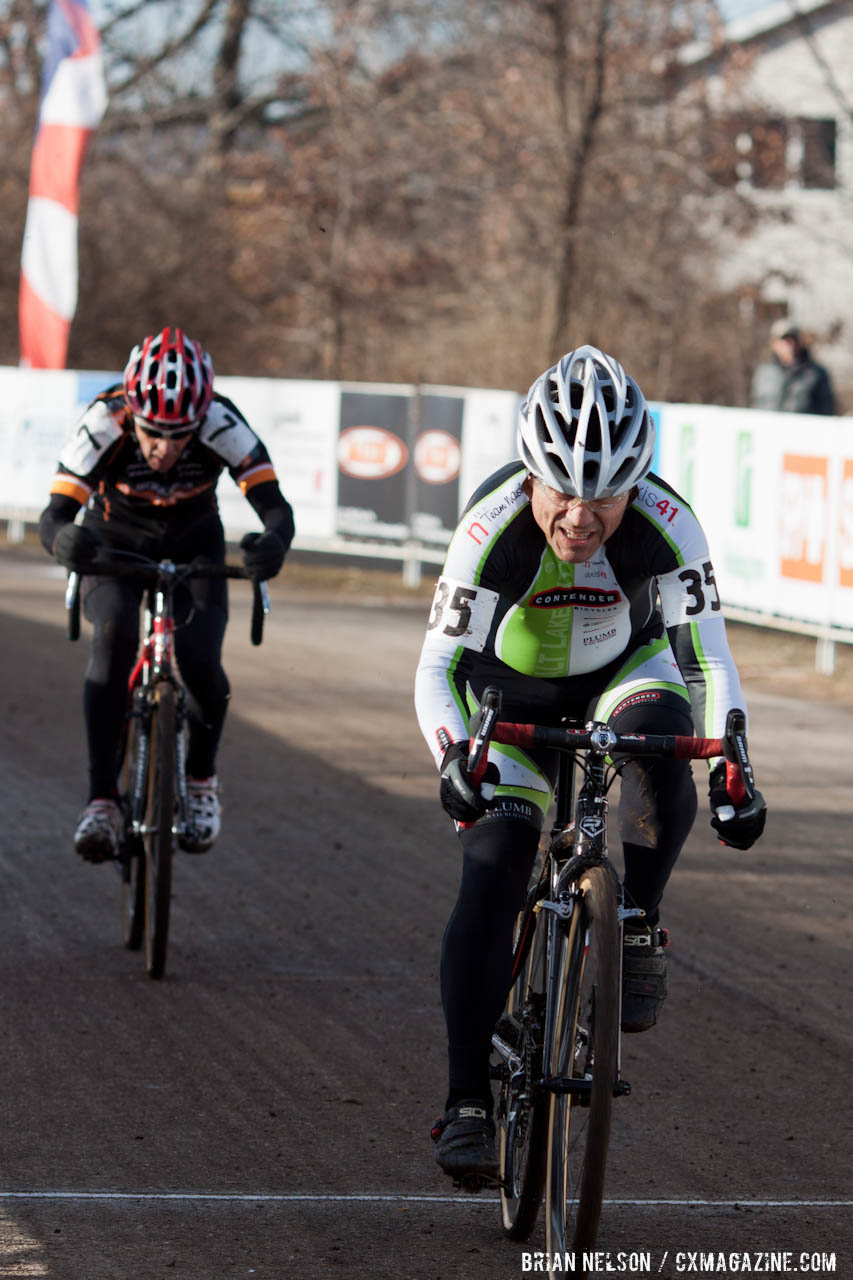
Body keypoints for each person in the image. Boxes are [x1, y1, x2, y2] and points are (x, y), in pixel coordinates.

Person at [415, 345, 767, 1183]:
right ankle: (466, 1101)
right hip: (506, 695)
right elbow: (435, 669)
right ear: (530, 473)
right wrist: (451, 758)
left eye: (603, 494)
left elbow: (708, 662)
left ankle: (635, 919)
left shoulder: (668, 523)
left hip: (622, 675)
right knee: (493, 863)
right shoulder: (490, 526)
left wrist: (735, 767)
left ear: (634, 483)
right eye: (562, 489)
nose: (580, 514)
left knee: (660, 755)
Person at [39, 327, 295, 863]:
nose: (164, 447)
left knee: (201, 658)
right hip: (114, 542)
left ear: (200, 419)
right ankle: (102, 800)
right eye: (153, 431)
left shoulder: (222, 421)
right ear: (133, 412)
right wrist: (65, 540)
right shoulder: (105, 418)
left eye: (180, 435)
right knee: (113, 641)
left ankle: (201, 780)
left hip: (194, 542)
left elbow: (275, 509)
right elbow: (56, 514)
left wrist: (271, 544)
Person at [750, 318, 836, 415]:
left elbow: (826, 412)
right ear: (773, 343)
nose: (789, 345)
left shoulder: (816, 374)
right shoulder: (764, 373)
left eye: (793, 339)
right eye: (784, 340)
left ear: (800, 342)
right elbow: (755, 406)